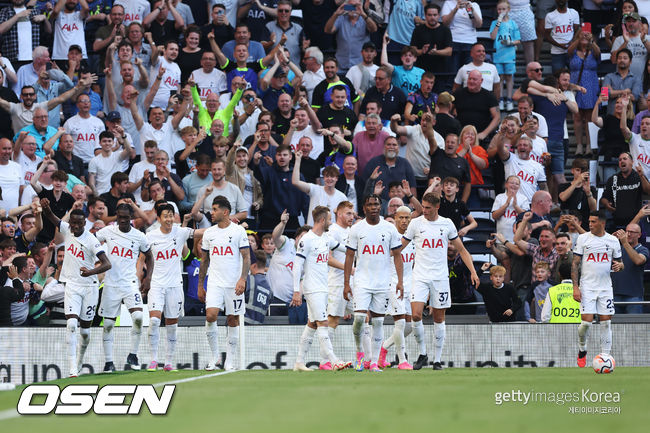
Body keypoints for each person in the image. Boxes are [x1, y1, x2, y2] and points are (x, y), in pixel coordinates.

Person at [401, 193, 479, 369]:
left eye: (428, 208)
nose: (424, 210)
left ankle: (437, 360)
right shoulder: (416, 223)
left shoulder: (447, 224)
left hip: (440, 277)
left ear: (437, 207)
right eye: (423, 206)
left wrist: (473, 272)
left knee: (439, 317)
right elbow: (400, 246)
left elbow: (462, 250)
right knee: (415, 314)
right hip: (419, 275)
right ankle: (422, 353)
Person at [40, 197, 111, 377]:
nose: (76, 226)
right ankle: (72, 368)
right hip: (71, 285)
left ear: (84, 223)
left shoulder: (91, 240)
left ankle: (80, 360)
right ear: (70, 223)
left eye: (79, 223)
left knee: (85, 332)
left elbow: (107, 264)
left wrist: (91, 272)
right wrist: (45, 207)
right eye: (73, 223)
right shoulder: (66, 230)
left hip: (89, 287)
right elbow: (52, 217)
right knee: (71, 324)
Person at [344, 194, 403, 372]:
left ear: (380, 206)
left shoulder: (389, 228)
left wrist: (400, 281)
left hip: (382, 282)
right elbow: (349, 257)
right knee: (359, 319)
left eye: (376, 204)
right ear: (364, 208)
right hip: (362, 280)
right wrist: (347, 283)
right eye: (370, 204)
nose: (374, 207)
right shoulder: (356, 229)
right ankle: (360, 353)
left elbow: (398, 256)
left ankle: (375, 362)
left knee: (378, 322)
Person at [146, 203, 203, 372]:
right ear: (159, 218)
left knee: (172, 325)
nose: (169, 219)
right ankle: (153, 360)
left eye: (171, 215)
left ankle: (169, 362)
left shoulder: (180, 232)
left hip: (175, 286)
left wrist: (225, 226)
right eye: (166, 216)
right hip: (157, 284)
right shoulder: (150, 236)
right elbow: (142, 257)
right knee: (155, 321)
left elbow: (200, 232)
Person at [96, 203, 152, 372]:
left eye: (126, 217)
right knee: (108, 325)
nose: (122, 221)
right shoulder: (107, 231)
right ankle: (108, 362)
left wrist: (148, 277)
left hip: (130, 283)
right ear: (116, 216)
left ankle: (133, 354)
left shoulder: (139, 236)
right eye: (119, 217)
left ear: (131, 218)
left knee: (138, 317)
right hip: (111, 284)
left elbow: (150, 257)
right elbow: (90, 242)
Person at [198, 196, 250, 371]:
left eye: (214, 209)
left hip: (233, 284)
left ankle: (230, 361)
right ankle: (214, 357)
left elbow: (246, 257)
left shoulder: (238, 231)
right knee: (210, 315)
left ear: (225, 212)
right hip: (214, 283)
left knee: (232, 318)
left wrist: (242, 279)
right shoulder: (209, 233)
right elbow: (204, 261)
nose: (211, 213)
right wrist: (200, 285)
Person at [292, 206, 346, 372]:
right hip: (312, 288)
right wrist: (296, 291)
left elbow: (345, 248)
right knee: (323, 322)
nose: (330, 222)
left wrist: (361, 249)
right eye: (329, 219)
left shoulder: (326, 238)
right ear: (322, 220)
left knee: (312, 324)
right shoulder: (306, 240)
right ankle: (333, 360)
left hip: (323, 287)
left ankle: (299, 362)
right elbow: (297, 265)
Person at [573, 210, 624, 367]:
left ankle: (605, 357)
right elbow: (575, 263)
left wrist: (620, 266)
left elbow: (619, 263)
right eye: (589, 221)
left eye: (593, 222)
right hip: (587, 287)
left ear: (602, 223)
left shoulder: (613, 241)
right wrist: (575, 287)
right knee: (586, 323)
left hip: (605, 288)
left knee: (606, 323)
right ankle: (582, 350)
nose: (590, 224)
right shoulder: (583, 239)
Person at [378, 206, 414, 370]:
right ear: (395, 217)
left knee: (408, 327)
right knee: (399, 324)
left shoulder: (413, 237)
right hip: (392, 282)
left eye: (407, 217)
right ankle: (402, 361)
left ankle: (383, 348)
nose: (404, 221)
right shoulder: (389, 236)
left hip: (410, 283)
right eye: (401, 217)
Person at [325, 201, 355, 356]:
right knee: (333, 320)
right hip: (336, 282)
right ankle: (327, 358)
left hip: (354, 281)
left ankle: (367, 358)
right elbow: (328, 258)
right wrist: (349, 270)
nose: (352, 216)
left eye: (353, 213)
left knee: (364, 317)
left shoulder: (353, 231)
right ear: (339, 214)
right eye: (348, 213)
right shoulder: (333, 231)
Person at [292, 152, 347, 225]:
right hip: (313, 233)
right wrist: (298, 160)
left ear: (337, 178)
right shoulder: (314, 189)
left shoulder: (342, 197)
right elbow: (295, 182)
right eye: (327, 176)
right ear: (323, 178)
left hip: (331, 235)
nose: (329, 179)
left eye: (332, 176)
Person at [323, 0, 376, 73]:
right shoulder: (341, 18)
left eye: (355, 6)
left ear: (360, 5)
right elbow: (328, 30)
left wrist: (363, 14)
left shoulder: (365, 19)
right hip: (341, 66)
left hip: (360, 66)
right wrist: (336, 14)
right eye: (350, 6)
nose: (352, 9)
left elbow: (374, 29)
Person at [409, 3, 453, 90]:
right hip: (421, 72)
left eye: (435, 15)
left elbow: (449, 51)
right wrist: (422, 51)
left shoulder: (445, 30)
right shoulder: (418, 30)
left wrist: (436, 52)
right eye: (429, 15)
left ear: (439, 15)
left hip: (441, 72)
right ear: (425, 15)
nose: (432, 17)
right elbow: (413, 50)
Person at [600, 152, 647, 229]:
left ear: (632, 162)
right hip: (617, 223)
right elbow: (604, 197)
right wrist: (606, 204)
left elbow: (648, 191)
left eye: (625, 159)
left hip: (637, 223)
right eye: (620, 160)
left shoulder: (639, 176)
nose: (622, 161)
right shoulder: (612, 179)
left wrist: (642, 176)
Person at [452, 70, 500, 144]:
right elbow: (447, 109)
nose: (471, 81)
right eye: (469, 78)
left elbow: (497, 117)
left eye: (474, 79)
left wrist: (484, 133)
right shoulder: (458, 94)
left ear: (481, 81)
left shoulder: (489, 96)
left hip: (480, 137)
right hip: (460, 136)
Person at [489, 1, 521, 111]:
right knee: (500, 77)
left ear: (508, 10)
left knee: (509, 77)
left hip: (509, 54)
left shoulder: (513, 23)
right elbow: (493, 37)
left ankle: (509, 99)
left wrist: (510, 43)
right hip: (498, 54)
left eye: (503, 9)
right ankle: (500, 99)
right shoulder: (494, 23)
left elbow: (518, 40)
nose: (501, 11)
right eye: (499, 9)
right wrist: (498, 23)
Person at [612, 224, 649, 314]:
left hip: (634, 295)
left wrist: (625, 243)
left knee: (634, 326)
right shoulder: (618, 249)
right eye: (627, 231)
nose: (628, 234)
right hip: (615, 294)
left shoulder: (643, 250)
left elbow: (638, 260)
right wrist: (610, 241)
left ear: (639, 235)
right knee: (615, 326)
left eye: (632, 232)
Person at [441, 0, 482, 73]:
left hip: (470, 41)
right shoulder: (449, 3)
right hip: (454, 40)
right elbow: (445, 23)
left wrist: (472, 11)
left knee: (469, 72)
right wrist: (455, 9)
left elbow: (478, 25)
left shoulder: (474, 5)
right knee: (453, 71)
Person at [544, 0, 580, 73]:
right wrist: (560, 45)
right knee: (557, 77)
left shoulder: (574, 13)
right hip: (557, 52)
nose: (561, 0)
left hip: (572, 51)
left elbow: (577, 32)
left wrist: (572, 43)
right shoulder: (550, 16)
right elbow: (547, 36)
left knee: (575, 74)